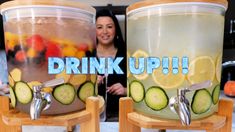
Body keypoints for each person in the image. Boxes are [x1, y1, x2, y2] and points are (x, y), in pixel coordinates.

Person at [95, 9, 127, 121]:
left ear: (116, 29)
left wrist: (125, 90)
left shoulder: (128, 54)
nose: (104, 31)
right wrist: (91, 84)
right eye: (99, 27)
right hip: (91, 116)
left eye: (109, 26)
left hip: (120, 117)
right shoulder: (86, 54)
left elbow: (142, 86)